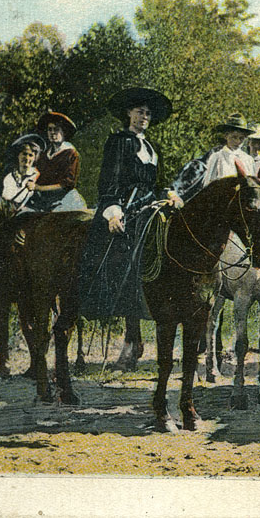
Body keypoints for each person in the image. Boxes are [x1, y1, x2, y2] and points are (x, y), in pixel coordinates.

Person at [76, 87, 182, 361]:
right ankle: (129, 338)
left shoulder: (151, 146)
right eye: (139, 112)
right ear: (128, 114)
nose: (144, 117)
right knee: (127, 260)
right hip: (126, 208)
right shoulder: (119, 141)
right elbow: (108, 182)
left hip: (150, 206)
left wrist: (168, 193)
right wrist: (113, 212)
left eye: (147, 113)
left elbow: (155, 183)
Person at [171, 113, 257, 201]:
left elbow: (253, 185)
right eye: (234, 137)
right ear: (226, 136)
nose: (238, 142)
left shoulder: (248, 160)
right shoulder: (217, 157)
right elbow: (208, 187)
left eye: (241, 138)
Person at [26, 110, 87, 211]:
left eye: (56, 129)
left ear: (64, 132)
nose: (53, 133)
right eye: (50, 129)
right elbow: (36, 174)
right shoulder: (44, 155)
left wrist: (39, 188)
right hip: (44, 200)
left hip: (65, 200)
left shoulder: (70, 153)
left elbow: (67, 185)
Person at [1, 134, 45, 212]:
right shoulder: (10, 177)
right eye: (24, 154)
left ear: (35, 158)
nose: (27, 158)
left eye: (31, 155)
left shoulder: (39, 177)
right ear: (18, 155)